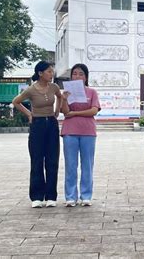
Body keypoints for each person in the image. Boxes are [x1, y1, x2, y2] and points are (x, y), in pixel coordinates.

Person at [12, 61, 62, 208]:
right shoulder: (31, 89)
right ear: (40, 73)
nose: (51, 74)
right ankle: (37, 197)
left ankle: (51, 196)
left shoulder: (54, 87)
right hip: (37, 125)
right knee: (37, 160)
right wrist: (29, 114)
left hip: (51, 124)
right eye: (49, 72)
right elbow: (16, 101)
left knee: (52, 160)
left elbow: (60, 97)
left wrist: (57, 111)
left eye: (52, 72)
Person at [60, 64, 100, 207]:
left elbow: (94, 110)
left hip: (88, 131)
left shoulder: (92, 92)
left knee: (87, 164)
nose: (77, 76)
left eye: (81, 74)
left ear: (86, 77)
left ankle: (86, 195)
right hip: (70, 131)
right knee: (71, 165)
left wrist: (75, 113)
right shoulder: (67, 93)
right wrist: (64, 99)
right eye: (75, 74)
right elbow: (65, 112)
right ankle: (70, 196)